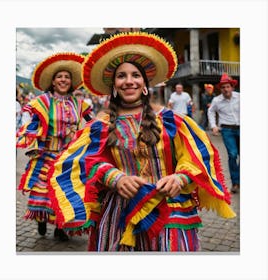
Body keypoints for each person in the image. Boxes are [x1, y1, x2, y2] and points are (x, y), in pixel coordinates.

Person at [49, 32, 235, 251]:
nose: (129, 81)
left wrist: (180, 178)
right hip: (120, 214)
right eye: (122, 76)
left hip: (170, 212)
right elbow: (79, 161)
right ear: (114, 85)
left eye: (135, 75)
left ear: (145, 83)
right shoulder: (101, 125)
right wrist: (114, 177)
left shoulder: (171, 121)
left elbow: (198, 156)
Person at [16, 52, 92, 241]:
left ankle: (60, 227)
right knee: (43, 190)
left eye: (67, 77)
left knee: (65, 190)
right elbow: (33, 125)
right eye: (60, 77)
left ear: (71, 81)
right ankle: (42, 219)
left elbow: (92, 123)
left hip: (68, 156)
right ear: (53, 81)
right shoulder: (42, 102)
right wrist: (30, 139)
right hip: (46, 153)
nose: (63, 79)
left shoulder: (78, 103)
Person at [208, 73, 240, 193]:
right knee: (232, 154)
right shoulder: (216, 100)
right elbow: (210, 112)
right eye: (223, 87)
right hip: (227, 130)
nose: (226, 89)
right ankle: (236, 182)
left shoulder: (240, 97)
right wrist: (213, 126)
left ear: (232, 87)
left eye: (228, 86)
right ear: (220, 89)